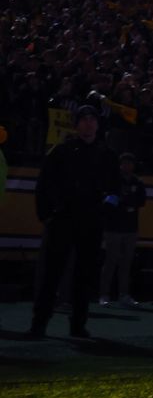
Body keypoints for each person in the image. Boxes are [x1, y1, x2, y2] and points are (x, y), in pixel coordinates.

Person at [29, 105, 119, 338]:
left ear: (98, 125)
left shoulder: (107, 155)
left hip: (90, 222)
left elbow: (116, 190)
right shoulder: (61, 152)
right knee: (51, 274)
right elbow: (44, 185)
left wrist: (105, 210)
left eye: (92, 120)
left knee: (84, 275)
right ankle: (39, 323)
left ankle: (78, 324)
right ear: (76, 124)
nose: (89, 124)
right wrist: (48, 214)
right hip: (63, 220)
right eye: (84, 119)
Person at [99, 152, 147, 306]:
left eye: (130, 163)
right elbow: (108, 201)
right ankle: (104, 295)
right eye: (124, 163)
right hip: (113, 228)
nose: (127, 166)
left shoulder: (138, 182)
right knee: (110, 261)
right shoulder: (112, 180)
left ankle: (124, 295)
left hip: (130, 228)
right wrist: (127, 203)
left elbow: (141, 201)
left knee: (126, 263)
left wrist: (123, 201)